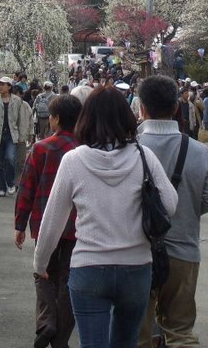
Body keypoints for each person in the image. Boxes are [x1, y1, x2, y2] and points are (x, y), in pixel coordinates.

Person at [33, 85, 178, 348]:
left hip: (89, 267)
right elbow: (169, 204)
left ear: (85, 118)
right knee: (126, 342)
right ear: (127, 117)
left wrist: (40, 263)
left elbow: (52, 219)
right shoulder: (144, 156)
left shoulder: (74, 160)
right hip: (136, 267)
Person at [136, 75, 208, 348]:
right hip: (184, 251)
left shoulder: (129, 148)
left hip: (137, 252)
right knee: (180, 331)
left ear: (141, 107)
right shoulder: (198, 151)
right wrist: (186, 208)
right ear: (176, 106)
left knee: (138, 334)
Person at [15, 93, 83, 348]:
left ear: (54, 119)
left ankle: (46, 322)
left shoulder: (41, 148)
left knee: (41, 272)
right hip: (77, 226)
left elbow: (26, 189)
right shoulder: (84, 151)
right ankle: (61, 338)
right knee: (68, 279)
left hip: (45, 223)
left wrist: (20, 225)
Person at [0, 75, 33, 197]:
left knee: (10, 158)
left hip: (12, 135)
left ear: (9, 87)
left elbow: (22, 120)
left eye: (3, 84)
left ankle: (10, 183)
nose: (0, 87)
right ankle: (1, 187)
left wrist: (24, 136)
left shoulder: (17, 101)